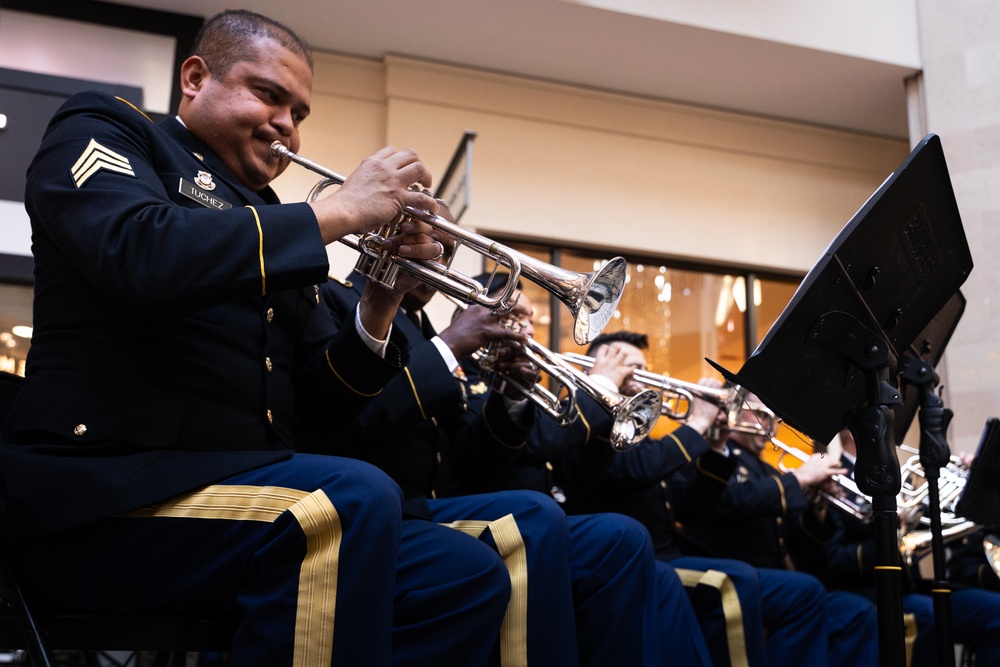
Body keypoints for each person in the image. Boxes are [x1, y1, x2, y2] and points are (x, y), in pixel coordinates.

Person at [0, 10, 513, 666]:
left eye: (299, 111)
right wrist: (340, 211)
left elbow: (321, 410)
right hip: (100, 492)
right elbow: (140, 254)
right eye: (269, 95)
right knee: (343, 500)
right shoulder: (109, 128)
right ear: (195, 77)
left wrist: (381, 302)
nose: (287, 125)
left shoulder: (273, 220)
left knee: (461, 572)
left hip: (238, 491)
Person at [317, 259, 695, 666]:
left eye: (530, 318)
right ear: (471, 312)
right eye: (513, 315)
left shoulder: (430, 333)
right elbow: (526, 449)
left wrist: (513, 395)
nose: (527, 328)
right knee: (542, 518)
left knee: (625, 538)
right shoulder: (429, 341)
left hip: (496, 502)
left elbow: (543, 465)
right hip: (416, 503)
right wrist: (599, 387)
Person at [453, 324, 852, 667]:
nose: (639, 376)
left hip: (661, 553)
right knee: (730, 582)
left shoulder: (657, 439)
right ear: (596, 370)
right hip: (624, 552)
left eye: (643, 368)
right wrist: (694, 424)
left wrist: (712, 447)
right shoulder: (587, 427)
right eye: (625, 365)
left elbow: (692, 511)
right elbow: (634, 468)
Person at [677, 388, 879, 667]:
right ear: (734, 410)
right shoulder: (714, 456)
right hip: (733, 574)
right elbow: (735, 500)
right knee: (806, 591)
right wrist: (798, 478)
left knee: (856, 612)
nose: (768, 423)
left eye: (773, 417)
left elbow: (800, 539)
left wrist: (818, 506)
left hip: (777, 579)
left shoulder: (770, 471)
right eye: (760, 414)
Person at [796, 429, 1000, 667]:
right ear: (856, 431)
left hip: (911, 589)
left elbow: (952, 530)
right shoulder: (832, 477)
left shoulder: (899, 479)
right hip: (865, 593)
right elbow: (830, 560)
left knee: (995, 611)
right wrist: (890, 539)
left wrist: (973, 487)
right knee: (928, 616)